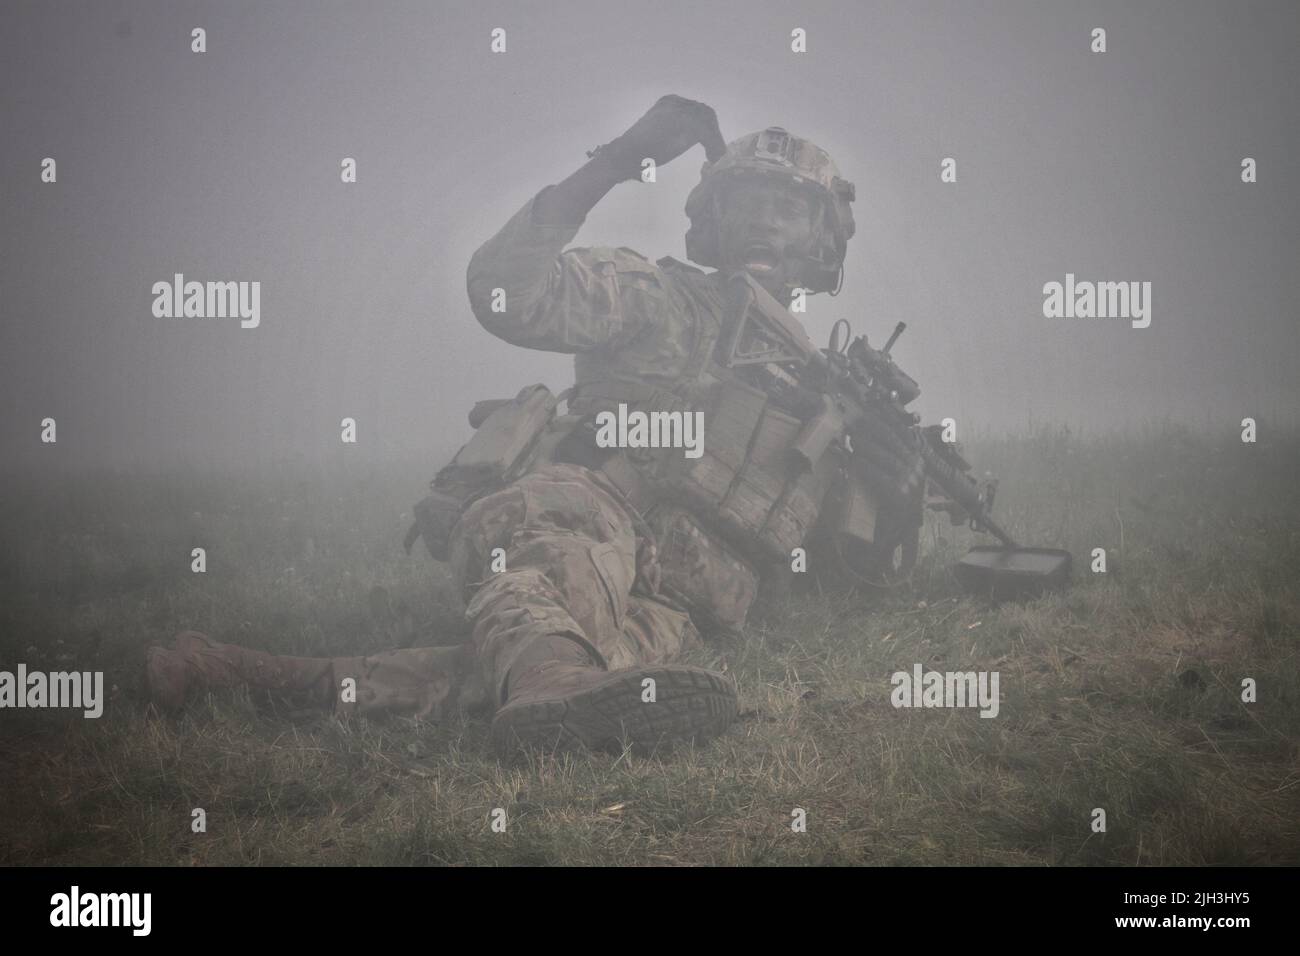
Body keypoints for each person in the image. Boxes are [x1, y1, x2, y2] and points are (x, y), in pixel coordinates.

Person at [146, 95, 924, 756]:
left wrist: (899, 499)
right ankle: (556, 681)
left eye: (787, 207)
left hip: (683, 603)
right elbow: (503, 293)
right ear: (711, 222)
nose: (764, 224)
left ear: (825, 240)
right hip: (586, 518)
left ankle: (232, 671)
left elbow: (829, 577)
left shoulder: (828, 401)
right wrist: (614, 162)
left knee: (519, 667)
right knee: (547, 589)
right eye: (744, 203)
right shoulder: (661, 297)